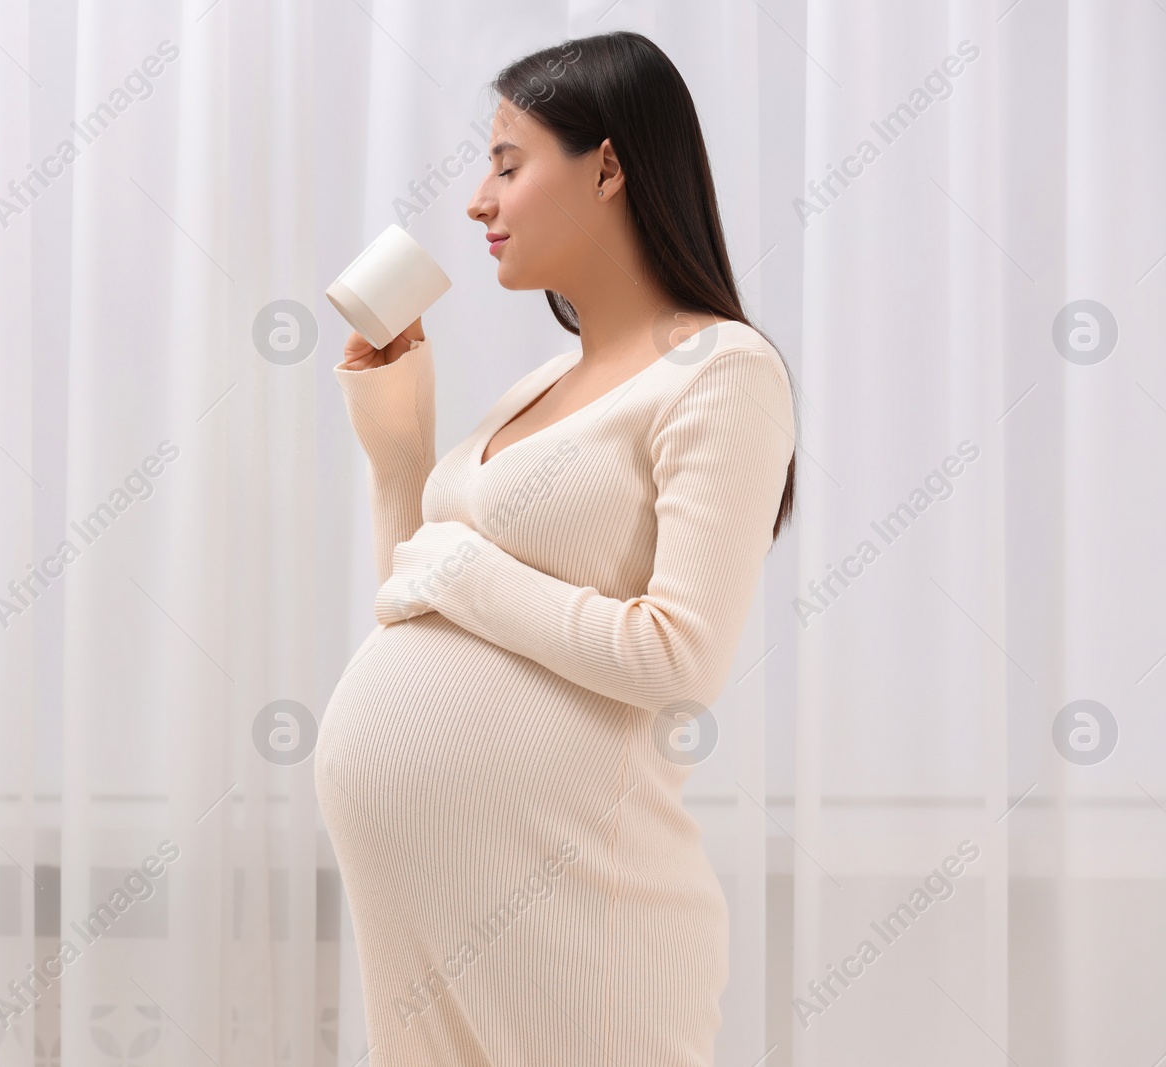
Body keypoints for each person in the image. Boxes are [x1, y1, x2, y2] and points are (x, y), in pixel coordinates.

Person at [316, 29, 797, 1066]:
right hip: (429, 920)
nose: (477, 202)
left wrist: (468, 567)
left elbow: (680, 660)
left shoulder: (722, 371)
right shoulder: (536, 386)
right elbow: (418, 600)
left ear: (610, 166)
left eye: (506, 161)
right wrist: (399, 451)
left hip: (581, 925)